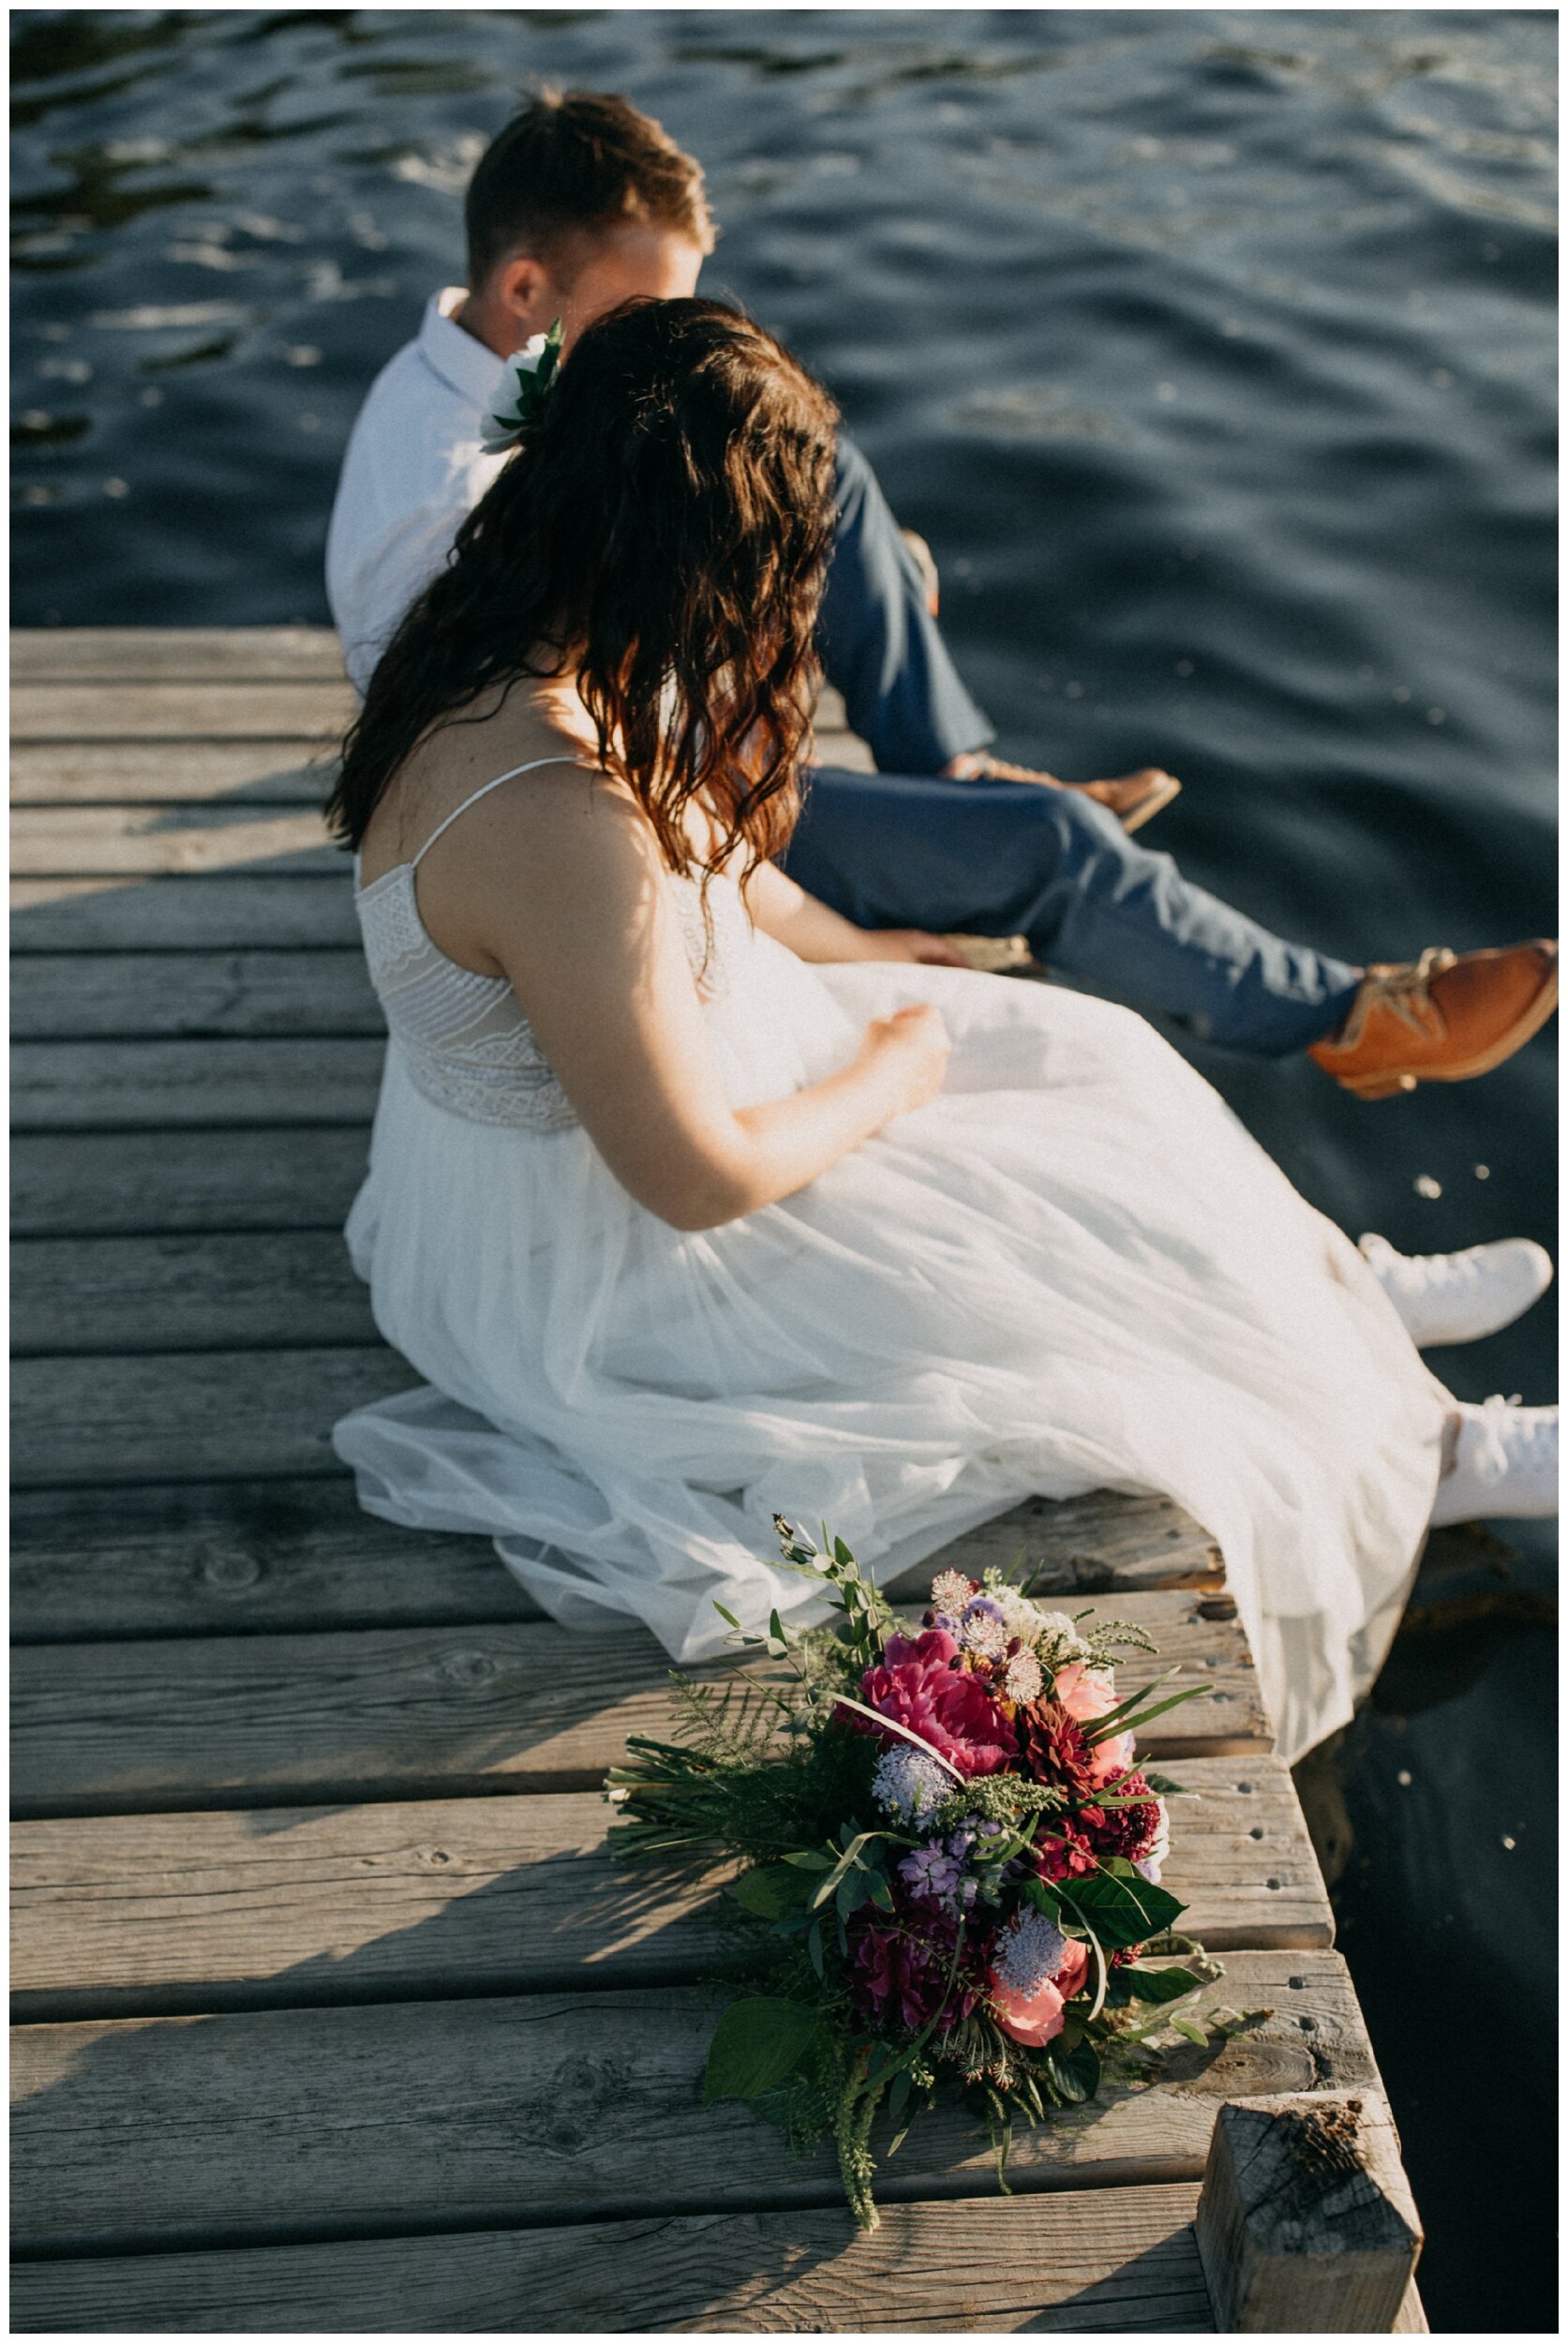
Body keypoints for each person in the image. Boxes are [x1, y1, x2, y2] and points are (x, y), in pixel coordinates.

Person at [326, 297, 1556, 1767]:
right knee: (1023, 1247)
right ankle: (1429, 1451)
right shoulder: (545, 814)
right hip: (610, 1250)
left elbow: (714, 860)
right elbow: (692, 1176)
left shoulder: (510, 629)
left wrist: (870, 958)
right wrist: (886, 1067)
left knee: (1088, 1062)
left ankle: (1327, 1294)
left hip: (666, 1070)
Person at [326, 87, 1557, 1101]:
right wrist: (752, 617)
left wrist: (781, 551)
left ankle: (947, 775)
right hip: (637, 788)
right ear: (530, 290)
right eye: (654, 310)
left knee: (829, 479)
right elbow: (558, 752)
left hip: (628, 702)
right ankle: (1345, 1022)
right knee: (1054, 851)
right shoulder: (446, 507)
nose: (685, 331)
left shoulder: (460, 364)